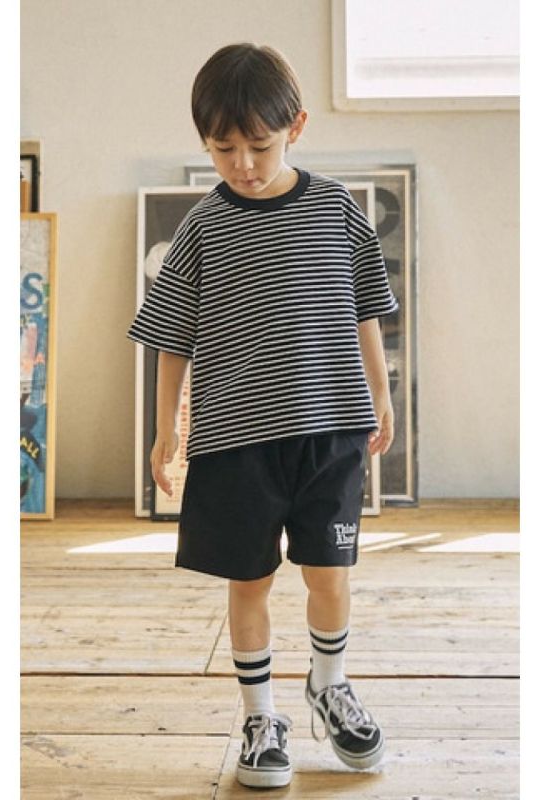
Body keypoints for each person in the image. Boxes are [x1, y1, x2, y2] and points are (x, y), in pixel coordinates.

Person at [127, 42, 399, 790]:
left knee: (330, 574)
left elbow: (366, 309)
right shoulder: (202, 229)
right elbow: (172, 337)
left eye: (259, 145)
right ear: (205, 142)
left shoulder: (335, 208)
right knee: (249, 581)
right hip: (234, 444)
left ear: (296, 127)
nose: (243, 164)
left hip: (329, 433)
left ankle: (330, 685)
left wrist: (380, 395)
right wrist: (166, 430)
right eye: (224, 149)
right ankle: (260, 718)